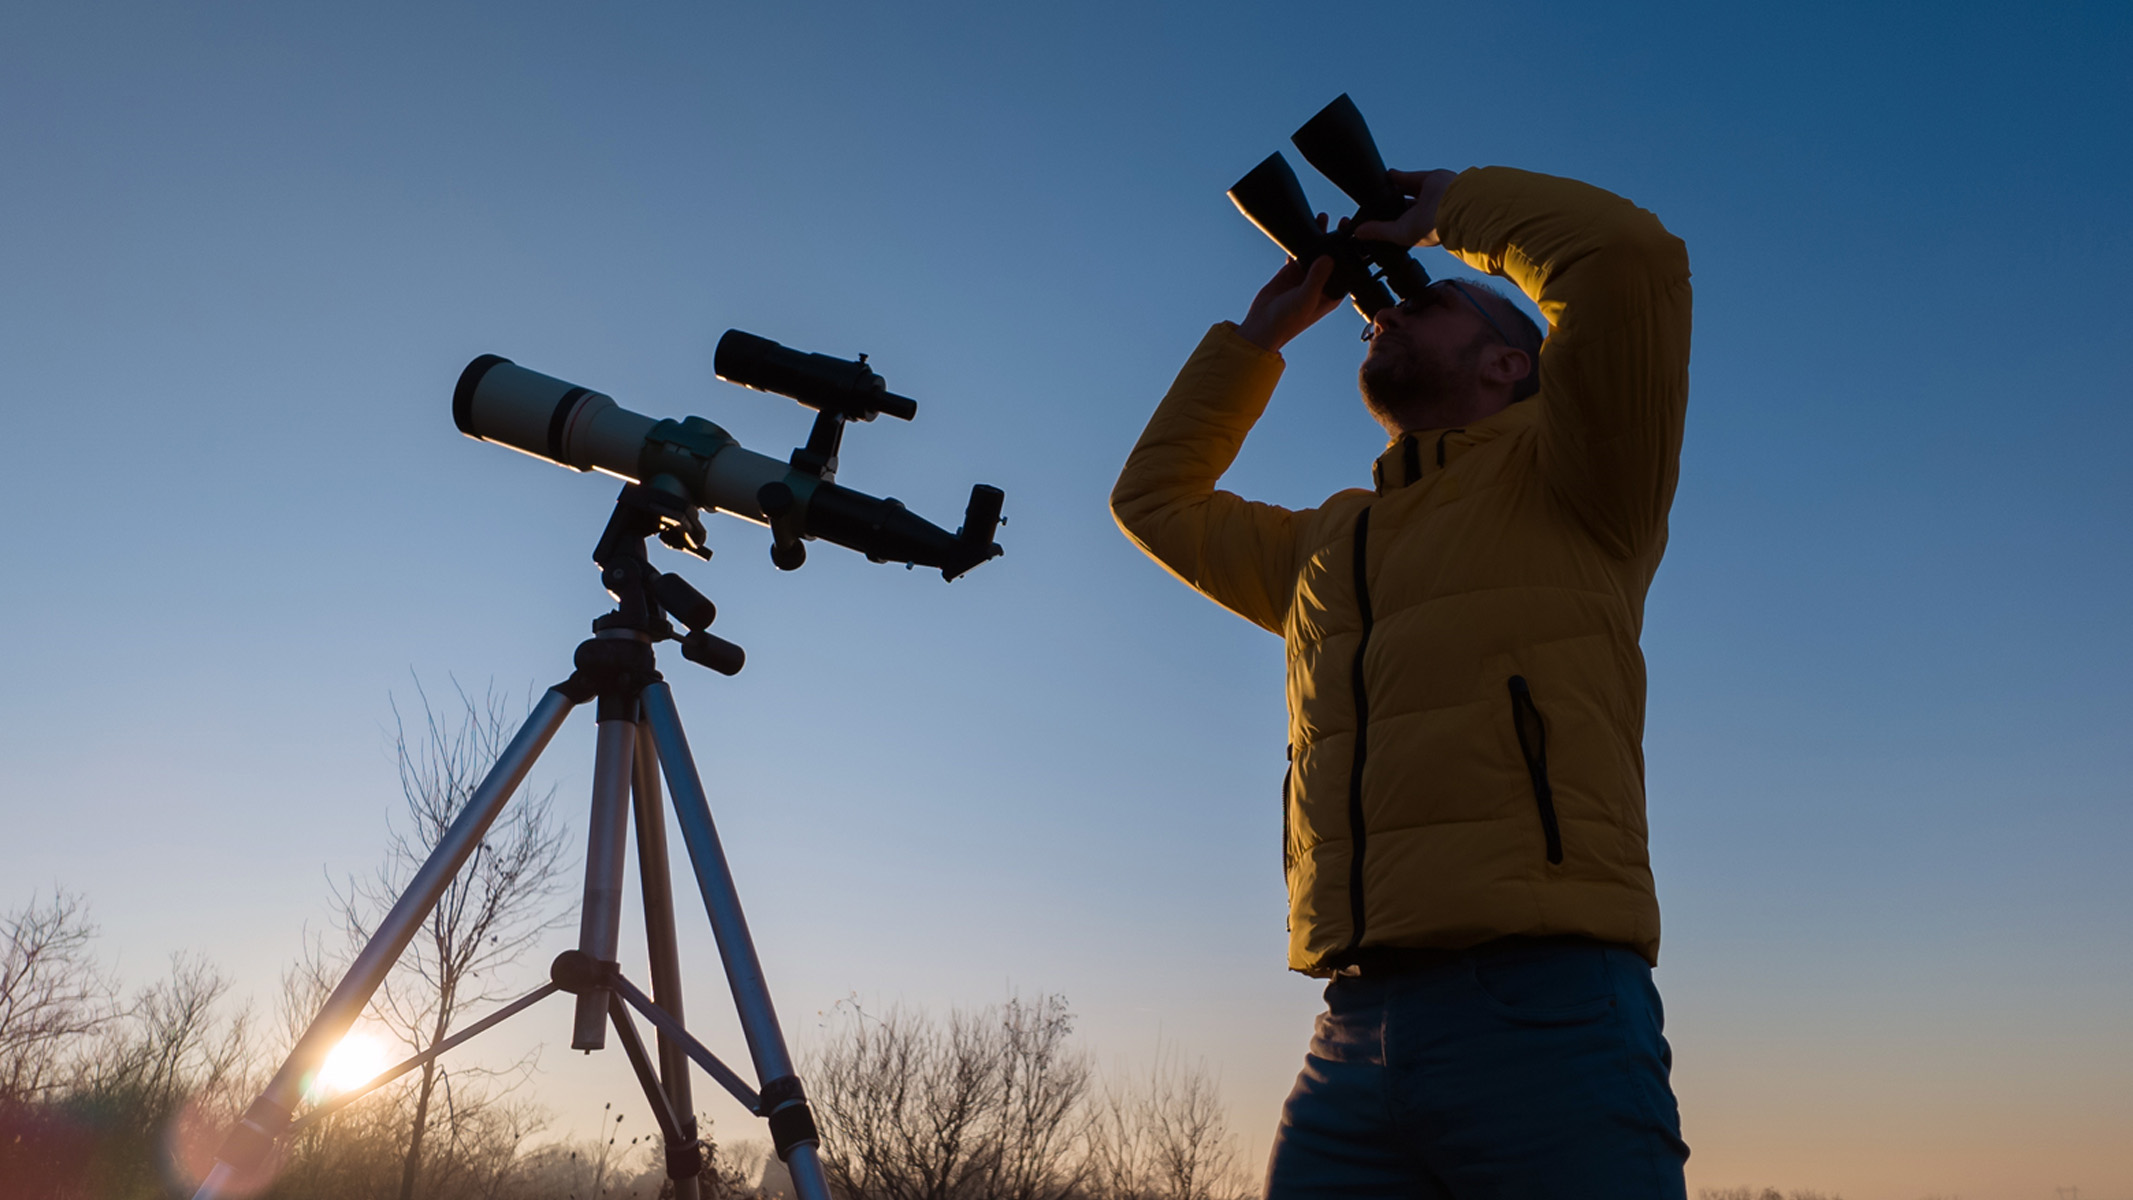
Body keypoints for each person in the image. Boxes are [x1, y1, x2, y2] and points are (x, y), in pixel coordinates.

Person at [1110, 164, 1693, 1198]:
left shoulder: (1586, 485)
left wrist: (1447, 212)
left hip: (1546, 1009)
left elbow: (1627, 259)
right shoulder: (1330, 545)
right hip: (1351, 1029)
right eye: (1385, 310)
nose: (1386, 315)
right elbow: (1156, 499)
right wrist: (1258, 342)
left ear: (1509, 364)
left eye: (1424, 305)